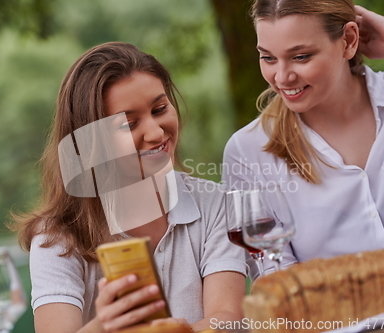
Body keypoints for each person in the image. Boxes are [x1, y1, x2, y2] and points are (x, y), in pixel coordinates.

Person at [13, 42, 249, 333]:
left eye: (160, 109)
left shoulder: (215, 203)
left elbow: (226, 318)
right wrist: (104, 325)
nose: (156, 132)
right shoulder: (57, 239)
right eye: (128, 124)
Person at [222, 0, 384, 271]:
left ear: (349, 40)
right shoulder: (248, 151)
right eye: (268, 57)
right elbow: (276, 281)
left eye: (301, 56)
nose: (282, 77)